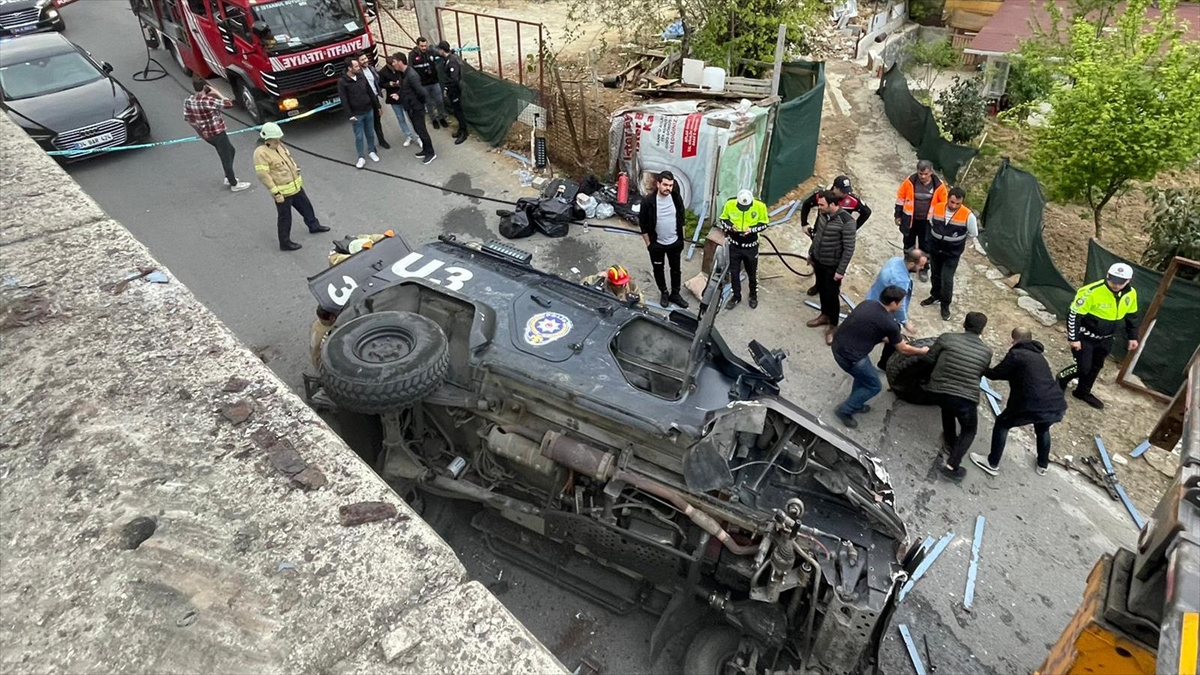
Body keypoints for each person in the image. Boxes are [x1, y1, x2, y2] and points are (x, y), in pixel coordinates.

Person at [971, 327, 1067, 477]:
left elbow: (996, 374)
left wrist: (979, 366)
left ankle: (992, 463)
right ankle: (1043, 465)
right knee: (1043, 428)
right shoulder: (1039, 357)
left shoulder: (1016, 354)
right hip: (1055, 403)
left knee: (1002, 424)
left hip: (1030, 405)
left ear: (1014, 340)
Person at [830, 285, 930, 428]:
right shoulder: (889, 323)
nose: (902, 305)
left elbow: (869, 328)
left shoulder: (868, 304)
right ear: (893, 303)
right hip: (852, 357)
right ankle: (844, 410)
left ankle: (856, 402)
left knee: (863, 378)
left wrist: (893, 339)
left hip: (838, 344)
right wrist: (922, 351)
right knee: (874, 386)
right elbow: (903, 349)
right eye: (901, 302)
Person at [1056, 263, 1140, 409]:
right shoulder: (1091, 291)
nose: (1115, 284)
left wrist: (1133, 337)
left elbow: (1131, 316)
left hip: (1106, 338)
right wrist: (1074, 338)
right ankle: (1061, 379)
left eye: (1120, 282)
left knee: (1096, 366)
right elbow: (1074, 314)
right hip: (1086, 336)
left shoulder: (1131, 294)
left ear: (1128, 280)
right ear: (1107, 275)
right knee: (1083, 367)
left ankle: (1083, 392)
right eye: (1112, 280)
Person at [925, 311, 994, 482]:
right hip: (965, 396)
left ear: (964, 324)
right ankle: (952, 466)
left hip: (938, 389)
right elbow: (979, 374)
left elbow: (928, 360)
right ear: (982, 330)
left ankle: (950, 441)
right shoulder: (987, 352)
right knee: (969, 430)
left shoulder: (947, 338)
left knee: (947, 407)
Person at [252, 122, 329, 251]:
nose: (278, 142)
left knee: (307, 207)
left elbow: (289, 158)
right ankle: (285, 243)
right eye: (275, 140)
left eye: (278, 139)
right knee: (285, 218)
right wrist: (276, 193)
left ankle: (314, 226)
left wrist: (295, 167)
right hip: (283, 192)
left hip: (295, 186)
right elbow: (263, 175)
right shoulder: (260, 153)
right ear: (267, 140)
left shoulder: (279, 145)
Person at [801, 176, 872, 296]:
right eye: (843, 191)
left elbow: (866, 212)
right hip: (821, 233)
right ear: (835, 188)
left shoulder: (852, 200)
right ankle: (818, 285)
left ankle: (833, 290)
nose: (846, 194)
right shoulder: (823, 196)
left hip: (837, 239)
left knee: (833, 268)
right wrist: (804, 224)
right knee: (817, 262)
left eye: (847, 191)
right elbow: (806, 204)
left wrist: (853, 229)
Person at [805, 190, 857, 345]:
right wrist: (811, 253)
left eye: (822, 205)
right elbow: (818, 236)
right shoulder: (822, 214)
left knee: (832, 295)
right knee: (822, 289)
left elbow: (849, 249)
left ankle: (833, 325)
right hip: (819, 260)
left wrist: (840, 271)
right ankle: (824, 315)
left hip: (832, 265)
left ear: (833, 204)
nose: (819, 207)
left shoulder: (847, 222)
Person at [920, 186, 978, 322]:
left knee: (947, 279)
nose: (954, 206)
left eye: (958, 203)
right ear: (947, 199)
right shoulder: (937, 208)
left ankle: (945, 305)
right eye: (952, 202)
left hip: (952, 253)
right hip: (935, 250)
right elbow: (931, 223)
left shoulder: (968, 215)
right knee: (935, 275)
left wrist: (958, 243)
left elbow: (973, 233)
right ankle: (935, 295)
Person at [183, 77, 250, 193]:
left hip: (206, 134)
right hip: (218, 132)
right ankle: (233, 183)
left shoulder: (188, 101)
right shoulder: (209, 101)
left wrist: (200, 132)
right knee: (226, 157)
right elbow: (229, 104)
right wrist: (217, 93)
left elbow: (188, 119)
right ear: (205, 87)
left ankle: (228, 176)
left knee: (231, 150)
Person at [866, 248, 927, 369]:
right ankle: (883, 364)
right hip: (882, 311)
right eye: (920, 266)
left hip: (873, 298)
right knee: (893, 335)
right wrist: (905, 322)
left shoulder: (895, 261)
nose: (922, 268)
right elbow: (899, 305)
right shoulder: (900, 280)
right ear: (911, 264)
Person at [637, 171, 689, 309]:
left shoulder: (676, 197)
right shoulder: (648, 202)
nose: (668, 188)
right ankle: (664, 292)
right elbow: (643, 224)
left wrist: (682, 239)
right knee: (658, 269)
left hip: (675, 243)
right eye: (665, 185)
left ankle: (675, 294)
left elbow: (682, 218)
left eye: (670, 185)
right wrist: (649, 244)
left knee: (676, 269)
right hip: (657, 244)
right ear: (658, 184)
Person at [894, 160, 947, 282]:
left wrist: (939, 224)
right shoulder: (909, 182)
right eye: (920, 173)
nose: (923, 176)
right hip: (910, 220)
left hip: (928, 223)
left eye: (925, 174)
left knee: (926, 246)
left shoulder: (939, 186)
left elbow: (943, 206)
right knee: (908, 244)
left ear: (931, 172)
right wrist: (898, 215)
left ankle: (924, 268)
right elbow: (900, 199)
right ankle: (908, 266)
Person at [718, 189, 770, 310]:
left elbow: (764, 224)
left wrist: (751, 229)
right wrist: (731, 227)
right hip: (734, 245)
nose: (743, 209)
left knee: (752, 272)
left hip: (750, 246)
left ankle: (753, 295)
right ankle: (736, 296)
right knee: (734, 272)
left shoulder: (760, 206)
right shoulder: (730, 204)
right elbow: (723, 219)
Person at [390, 53, 436, 164]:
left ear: (400, 62)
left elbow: (422, 93)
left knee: (422, 131)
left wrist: (418, 104)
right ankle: (425, 150)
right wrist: (398, 95)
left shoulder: (412, 75)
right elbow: (404, 88)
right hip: (410, 108)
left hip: (416, 109)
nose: (393, 64)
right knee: (418, 130)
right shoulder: (403, 74)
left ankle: (431, 153)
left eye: (394, 61)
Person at [337, 57, 379, 169]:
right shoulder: (342, 82)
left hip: (368, 110)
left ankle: (371, 151)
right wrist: (350, 115)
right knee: (359, 136)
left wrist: (377, 106)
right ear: (349, 68)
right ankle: (361, 157)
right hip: (357, 114)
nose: (359, 68)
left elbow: (370, 92)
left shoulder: (361, 76)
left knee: (370, 133)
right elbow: (344, 99)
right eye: (356, 66)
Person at [378, 53, 423, 149]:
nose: (394, 67)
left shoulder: (401, 69)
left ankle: (418, 136)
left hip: (404, 96)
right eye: (391, 66)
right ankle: (408, 136)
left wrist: (401, 83)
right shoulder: (382, 72)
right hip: (393, 97)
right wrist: (389, 84)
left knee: (411, 118)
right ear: (388, 65)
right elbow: (381, 84)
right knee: (400, 118)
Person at [410, 37, 449, 129]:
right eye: (422, 46)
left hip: (434, 81)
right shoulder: (412, 55)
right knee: (429, 103)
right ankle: (433, 119)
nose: (424, 48)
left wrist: (449, 52)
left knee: (439, 101)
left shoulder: (431, 51)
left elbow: (441, 53)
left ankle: (442, 117)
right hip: (423, 84)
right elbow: (411, 69)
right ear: (417, 45)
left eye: (425, 45)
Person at [436, 41, 469, 145]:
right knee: (456, 111)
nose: (438, 51)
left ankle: (464, 132)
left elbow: (454, 79)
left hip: (454, 91)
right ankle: (461, 129)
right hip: (452, 91)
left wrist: (446, 88)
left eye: (439, 49)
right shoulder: (446, 60)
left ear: (442, 50)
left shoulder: (452, 61)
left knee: (458, 111)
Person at [357, 52, 391, 150]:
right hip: (365, 101)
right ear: (358, 62)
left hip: (374, 98)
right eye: (362, 60)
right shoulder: (358, 74)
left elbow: (377, 81)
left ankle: (382, 140)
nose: (365, 61)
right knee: (368, 124)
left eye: (365, 58)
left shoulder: (371, 68)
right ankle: (371, 146)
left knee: (377, 121)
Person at [581, 264, 645, 308]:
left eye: (624, 282)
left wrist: (636, 302)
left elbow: (642, 302)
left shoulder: (631, 285)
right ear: (610, 282)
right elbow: (582, 285)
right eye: (619, 284)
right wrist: (597, 278)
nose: (623, 285)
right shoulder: (600, 281)